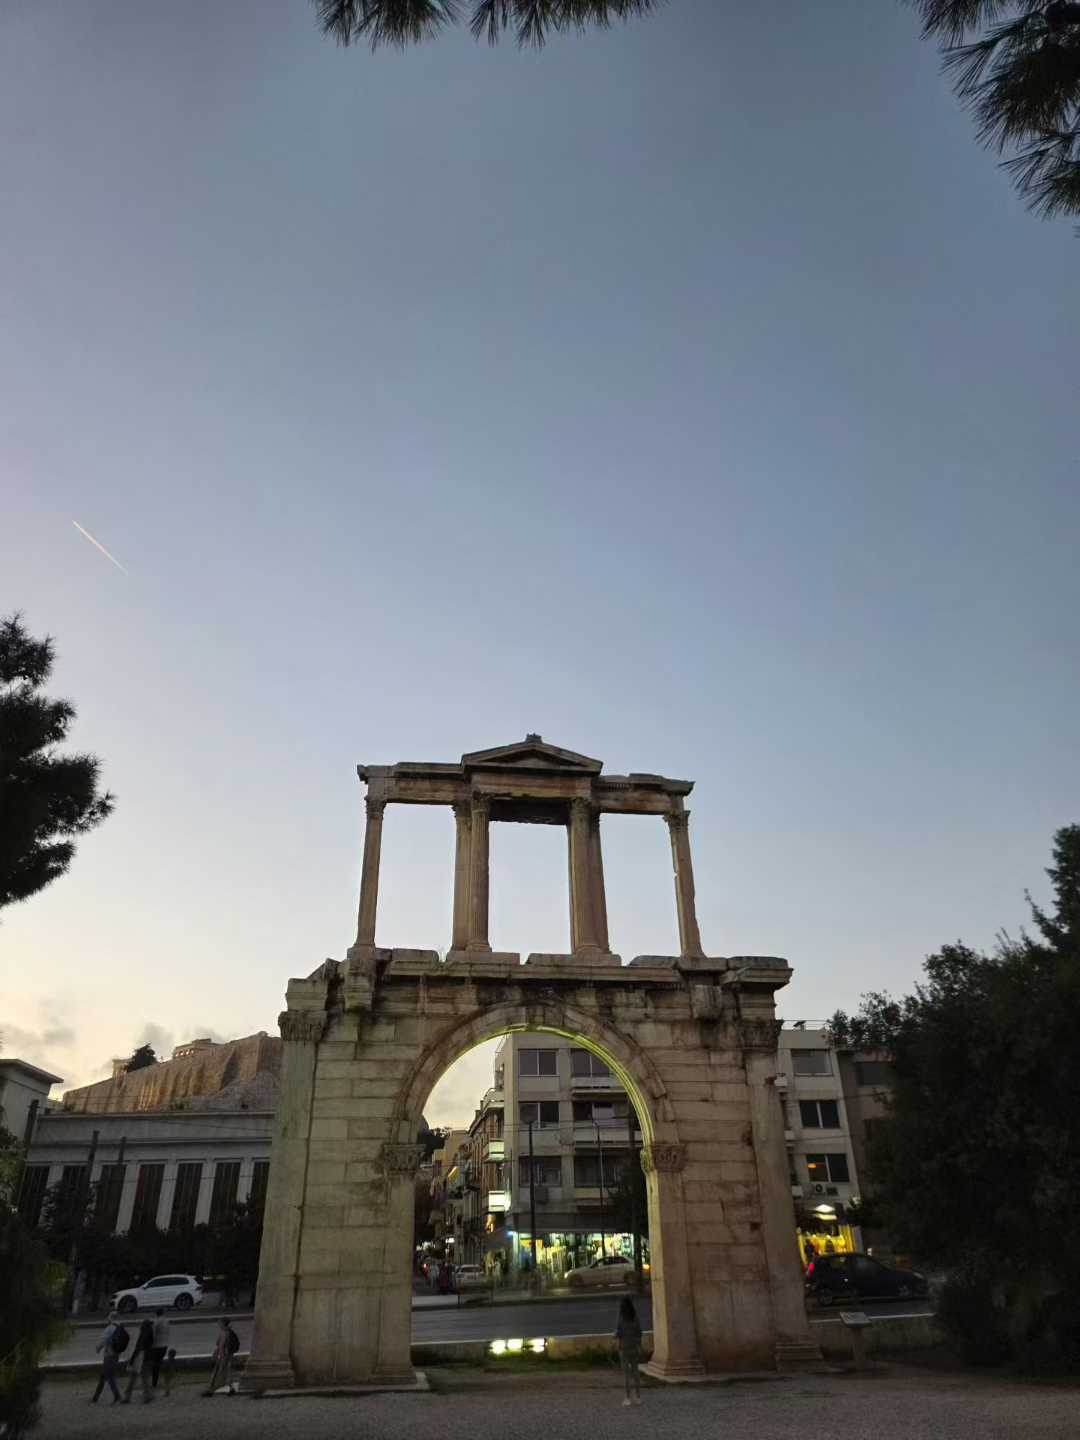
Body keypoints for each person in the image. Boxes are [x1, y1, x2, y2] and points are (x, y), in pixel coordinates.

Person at [615, 1295, 642, 1406]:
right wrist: (639, 1346)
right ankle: (638, 1397)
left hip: (624, 1348)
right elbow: (639, 1333)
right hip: (634, 1347)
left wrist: (615, 1338)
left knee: (626, 1375)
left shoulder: (621, 1318)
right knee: (635, 1373)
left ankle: (627, 1398)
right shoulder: (635, 1317)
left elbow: (618, 1333)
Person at [90, 1312, 124, 1404]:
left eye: (108, 1317)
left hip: (109, 1354)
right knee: (105, 1375)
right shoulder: (120, 1327)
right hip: (116, 1355)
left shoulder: (109, 1328)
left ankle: (117, 1396)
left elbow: (103, 1339)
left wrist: (98, 1348)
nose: (107, 1318)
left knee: (109, 1376)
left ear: (111, 1318)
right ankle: (95, 1397)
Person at [203, 1316, 239, 1397]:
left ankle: (211, 1390)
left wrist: (219, 1353)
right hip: (223, 1356)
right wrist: (216, 1353)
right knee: (225, 1373)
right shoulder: (224, 1332)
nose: (219, 1325)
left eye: (220, 1323)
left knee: (219, 1374)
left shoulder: (227, 1333)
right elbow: (219, 1345)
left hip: (225, 1356)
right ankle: (231, 1389)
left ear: (223, 1324)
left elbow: (223, 1345)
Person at [123, 1317, 156, 1404]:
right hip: (148, 1359)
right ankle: (147, 1396)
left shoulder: (142, 1336)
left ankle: (127, 1397)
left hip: (139, 1359)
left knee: (132, 1378)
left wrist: (131, 1360)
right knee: (145, 1379)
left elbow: (138, 1349)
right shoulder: (151, 1336)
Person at [150, 1308, 171, 1387]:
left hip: (156, 1346)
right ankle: (166, 1379)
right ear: (163, 1313)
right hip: (164, 1345)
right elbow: (168, 1332)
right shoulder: (167, 1321)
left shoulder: (156, 1322)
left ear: (156, 1313)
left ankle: (154, 1383)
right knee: (159, 1363)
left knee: (155, 1365)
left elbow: (153, 1334)